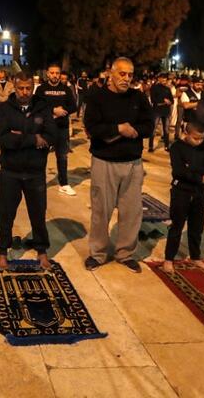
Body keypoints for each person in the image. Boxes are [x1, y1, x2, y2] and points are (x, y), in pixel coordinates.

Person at [83, 57, 154, 273]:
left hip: (132, 163)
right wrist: (118, 129)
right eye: (122, 74)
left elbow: (149, 125)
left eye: (130, 75)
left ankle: (125, 253)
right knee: (101, 211)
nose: (127, 79)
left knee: (131, 213)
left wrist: (131, 130)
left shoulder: (138, 97)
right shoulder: (97, 97)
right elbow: (93, 127)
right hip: (105, 162)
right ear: (111, 73)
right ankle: (98, 253)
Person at [0, 72, 57, 270]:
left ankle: (42, 251)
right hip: (10, 171)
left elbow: (51, 135)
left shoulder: (43, 107)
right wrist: (32, 139)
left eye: (28, 88)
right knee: (6, 213)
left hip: (35, 171)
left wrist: (20, 136)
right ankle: (3, 250)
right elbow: (3, 138)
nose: (24, 92)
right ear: (14, 86)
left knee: (38, 214)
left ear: (33, 87)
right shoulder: (4, 109)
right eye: (20, 88)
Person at [163, 121, 204, 273]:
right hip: (181, 192)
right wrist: (198, 177)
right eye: (196, 138)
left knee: (197, 227)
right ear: (186, 134)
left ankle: (195, 257)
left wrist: (190, 170)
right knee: (177, 226)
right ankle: (169, 258)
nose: (199, 141)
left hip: (200, 193)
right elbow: (178, 171)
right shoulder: (177, 147)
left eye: (202, 138)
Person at [35, 64, 78, 195]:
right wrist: (53, 111)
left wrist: (62, 111)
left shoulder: (66, 89)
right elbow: (37, 106)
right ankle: (39, 183)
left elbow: (73, 106)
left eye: (57, 73)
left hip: (62, 128)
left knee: (62, 157)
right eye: (52, 73)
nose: (55, 75)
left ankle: (64, 183)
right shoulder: (41, 89)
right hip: (46, 129)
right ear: (47, 74)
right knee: (41, 157)